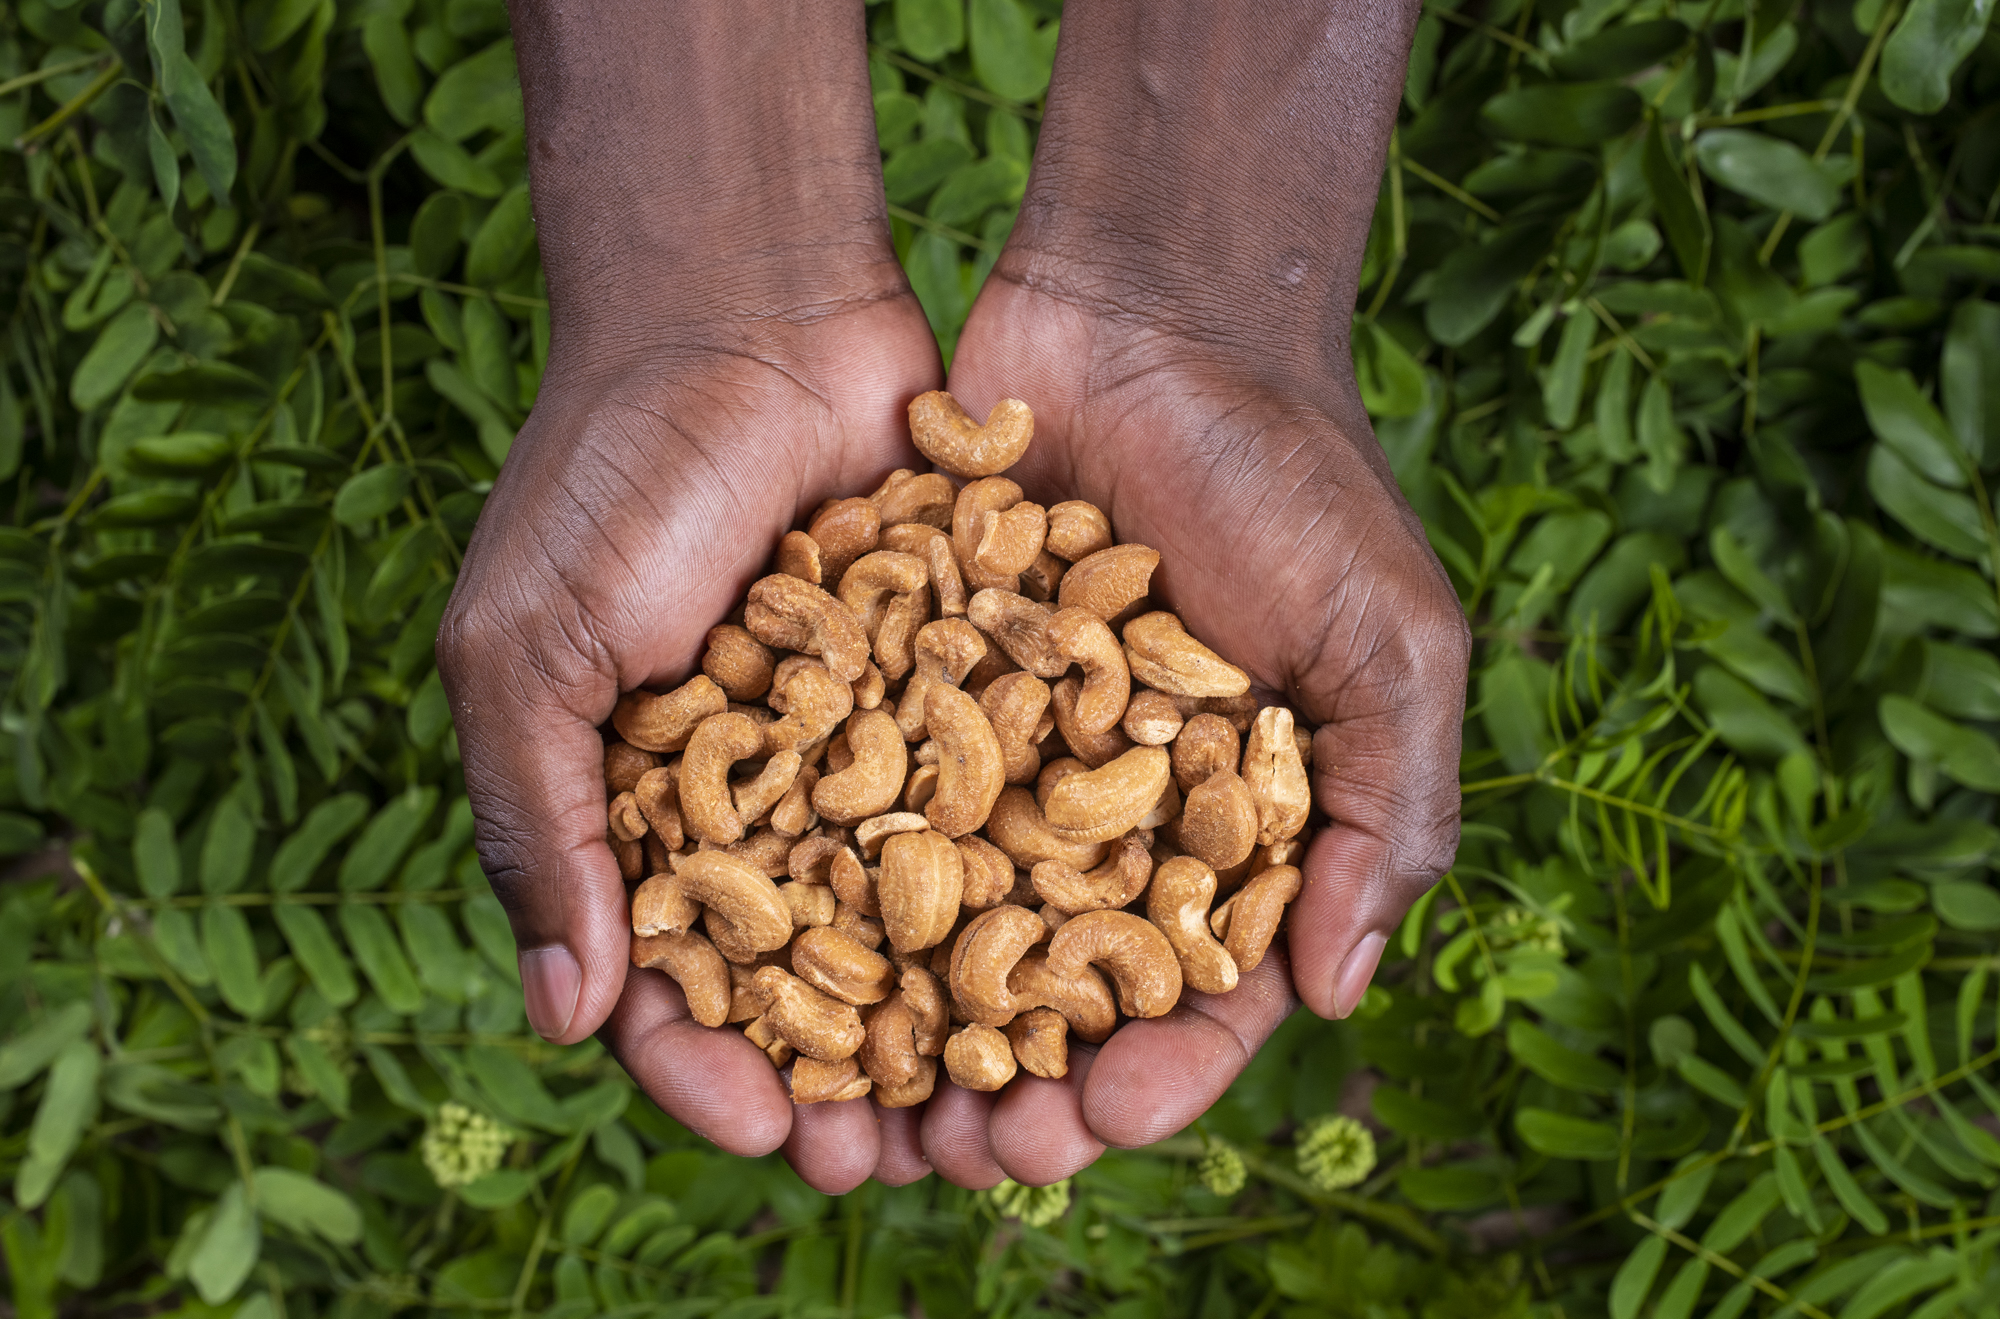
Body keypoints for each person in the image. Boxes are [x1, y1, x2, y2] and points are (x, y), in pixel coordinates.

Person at [436, 0, 1469, 1193]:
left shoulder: (1029, 739)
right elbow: (911, 827)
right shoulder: (893, 730)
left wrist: (1202, 287)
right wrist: (709, 292)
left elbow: (1073, 866)